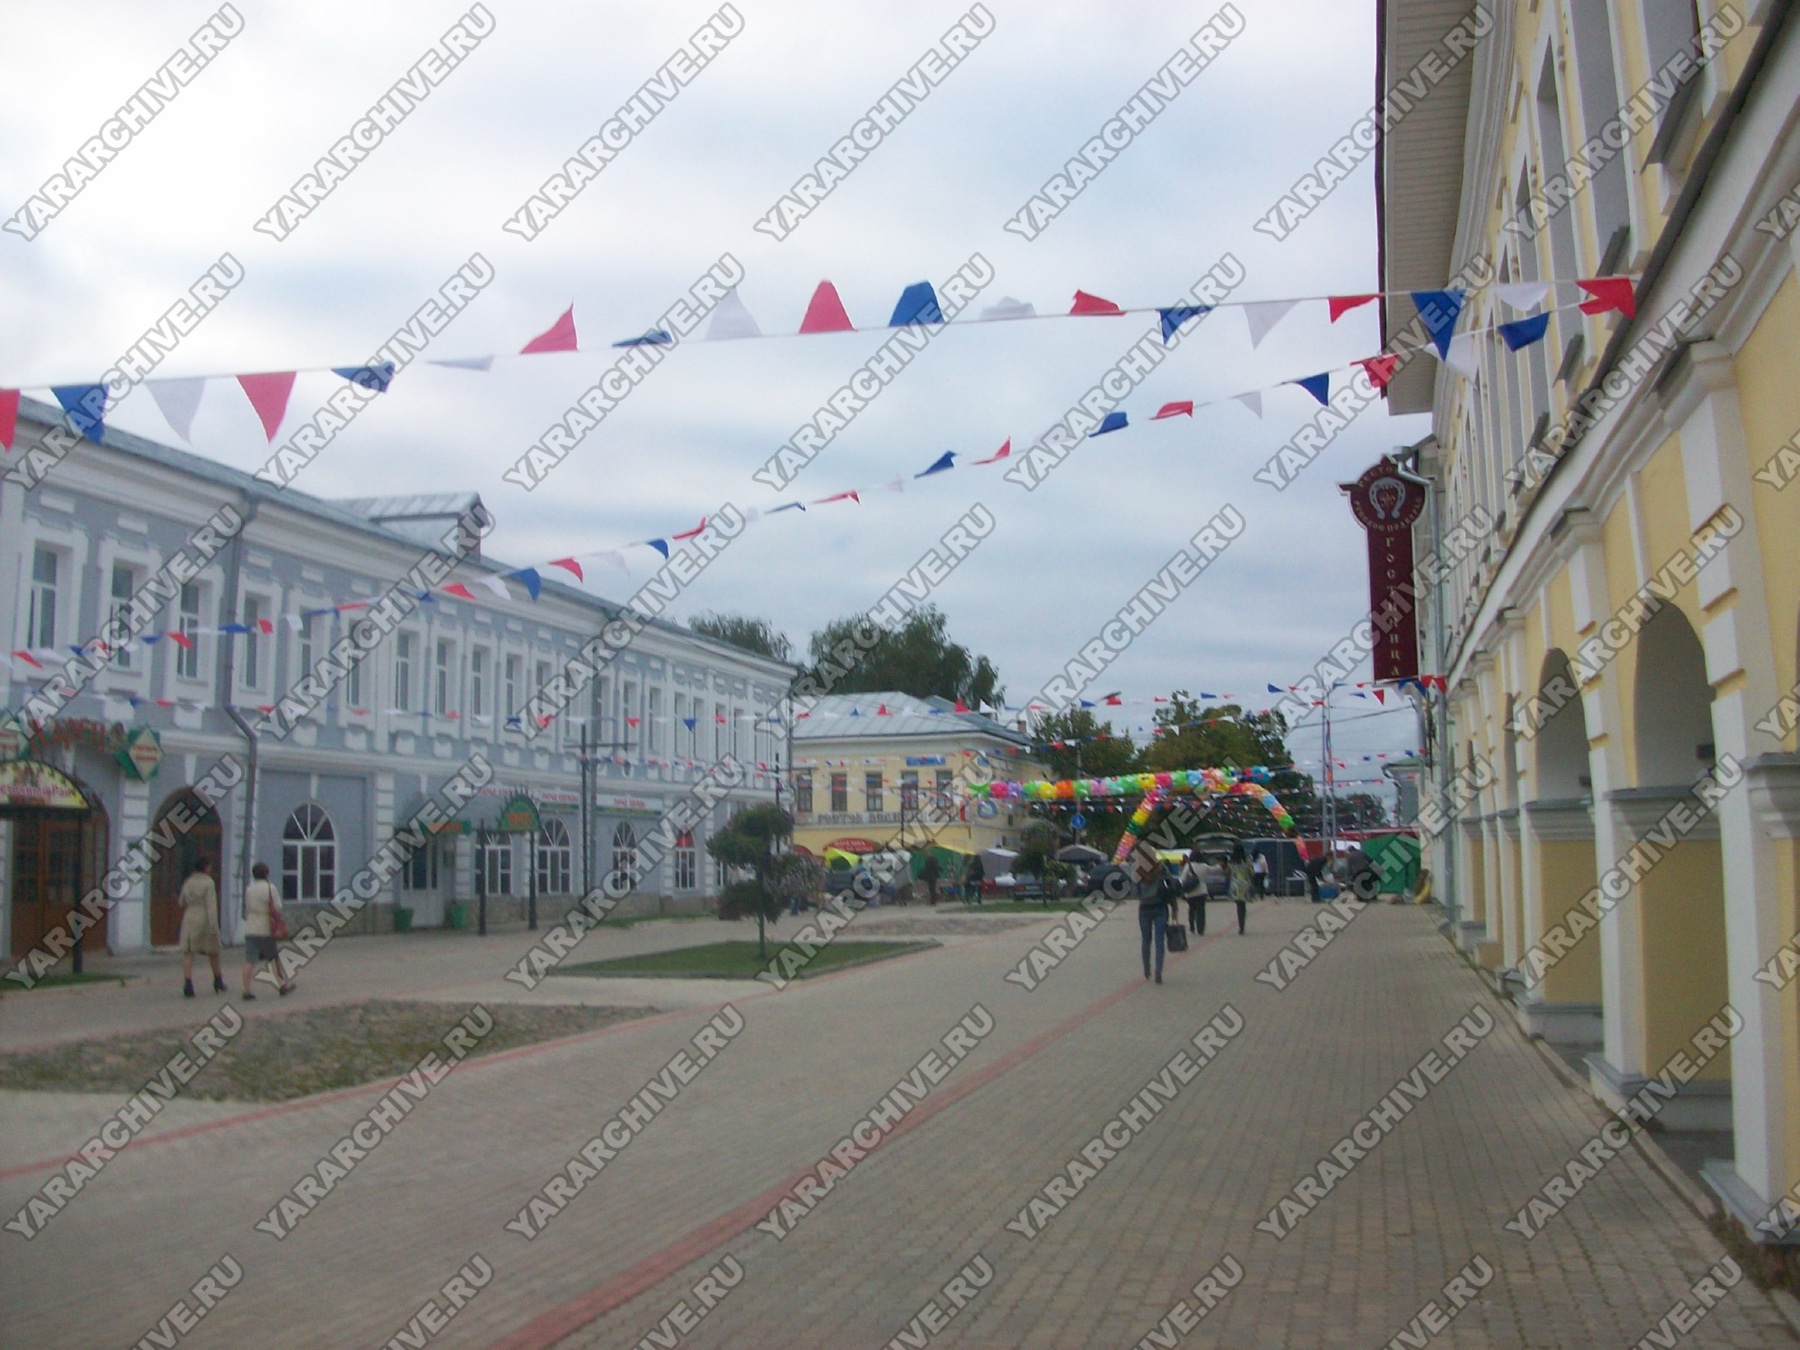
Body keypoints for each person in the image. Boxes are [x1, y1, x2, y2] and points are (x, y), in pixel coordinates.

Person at [240, 862, 293, 999]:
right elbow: (277, 907)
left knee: (250, 959)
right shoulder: (270, 888)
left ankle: (246, 990)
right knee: (273, 958)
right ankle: (281, 986)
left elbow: (247, 907)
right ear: (266, 874)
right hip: (266, 928)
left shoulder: (249, 889)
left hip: (251, 927)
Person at [178, 856, 225, 997]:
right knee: (213, 950)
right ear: (206, 868)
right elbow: (211, 906)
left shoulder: (188, 881)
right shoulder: (208, 883)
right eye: (209, 866)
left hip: (189, 916)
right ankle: (217, 979)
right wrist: (214, 926)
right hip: (204, 917)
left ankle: (188, 983)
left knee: (188, 951)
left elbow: (181, 901)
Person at [1136, 849, 1180, 984]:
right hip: (1160, 907)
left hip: (1144, 909)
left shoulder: (1139, 871)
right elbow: (1171, 888)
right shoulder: (1162, 869)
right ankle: (1158, 972)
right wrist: (1174, 907)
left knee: (1146, 940)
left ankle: (1146, 969)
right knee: (1159, 941)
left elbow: (1135, 892)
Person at [1179, 850, 1207, 935]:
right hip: (1202, 892)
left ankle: (1192, 927)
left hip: (1191, 893)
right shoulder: (1204, 866)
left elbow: (1182, 879)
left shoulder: (1188, 866)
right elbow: (1214, 870)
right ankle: (1200, 929)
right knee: (1201, 911)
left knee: (1191, 910)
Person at [1227, 842, 1253, 935]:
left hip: (1235, 885)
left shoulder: (1231, 861)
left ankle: (1240, 925)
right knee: (1243, 906)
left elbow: (1228, 873)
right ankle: (1242, 925)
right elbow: (1251, 872)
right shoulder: (1247, 860)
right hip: (1245, 884)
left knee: (1238, 906)